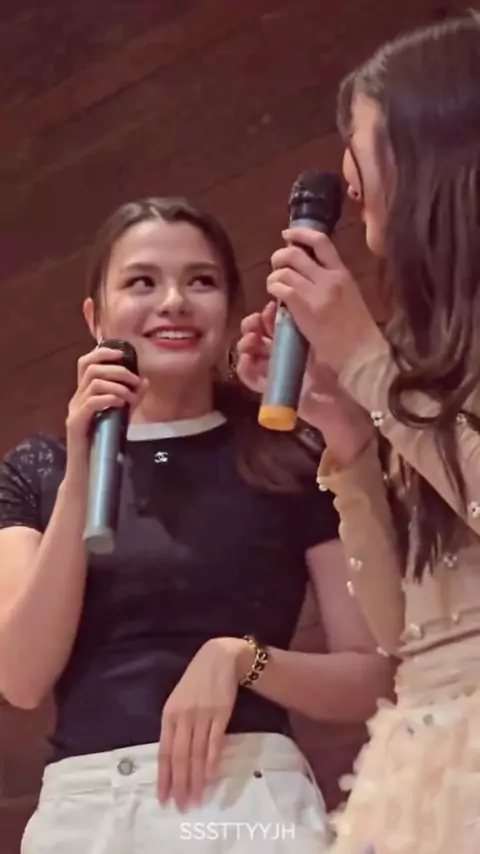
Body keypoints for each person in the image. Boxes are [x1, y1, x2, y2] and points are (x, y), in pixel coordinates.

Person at [0, 197, 392, 854]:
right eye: (142, 282)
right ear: (96, 318)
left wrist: (242, 660)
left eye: (201, 281)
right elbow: (21, 676)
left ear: (230, 308)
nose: (174, 302)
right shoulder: (38, 469)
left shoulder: (288, 453)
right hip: (87, 814)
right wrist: (81, 469)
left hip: (248, 802)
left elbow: (370, 676)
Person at [237, 12, 480, 854]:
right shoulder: (415, 351)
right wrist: (347, 438)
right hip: (426, 755)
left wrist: (368, 365)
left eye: (364, 139)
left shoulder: (390, 362)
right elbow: (396, 628)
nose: (344, 178)